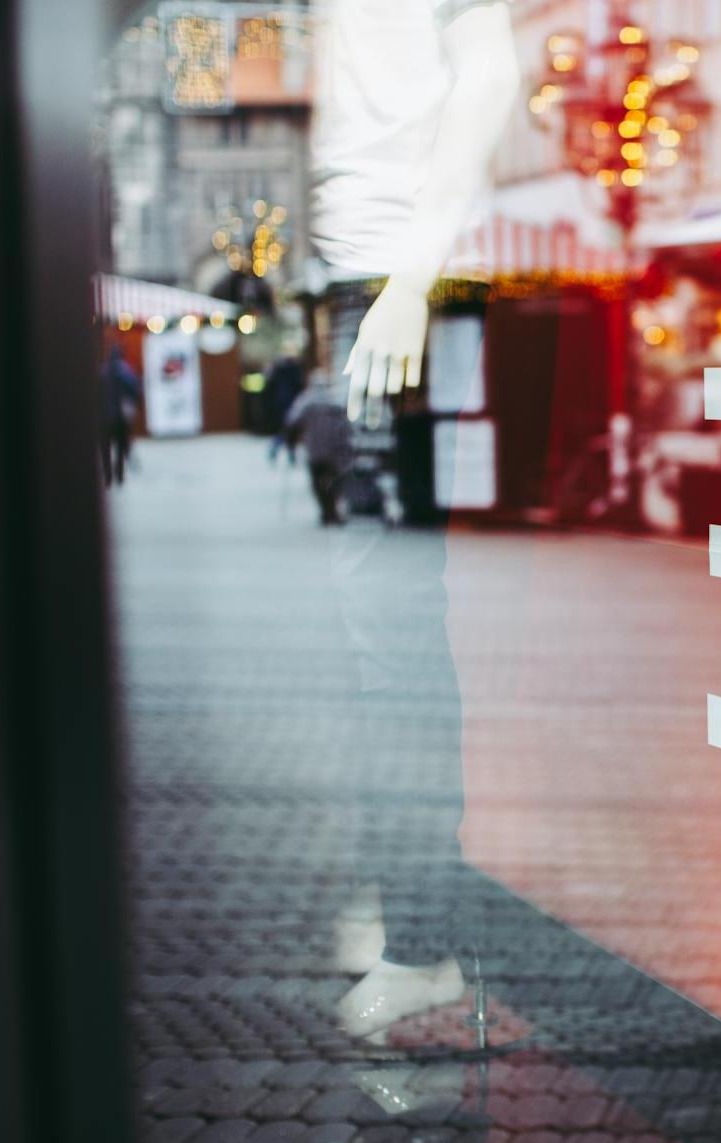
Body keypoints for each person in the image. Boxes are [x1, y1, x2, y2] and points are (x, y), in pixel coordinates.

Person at [308, 0, 521, 1040]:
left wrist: (408, 282)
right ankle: (403, 907)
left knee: (389, 635)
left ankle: (421, 942)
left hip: (392, 293)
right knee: (374, 630)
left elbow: (488, 83)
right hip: (371, 288)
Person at [281, 369, 353, 526]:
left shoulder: (305, 401)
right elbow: (347, 424)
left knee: (318, 480)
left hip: (315, 447)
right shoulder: (335, 400)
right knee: (334, 479)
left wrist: (291, 443)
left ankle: (327, 510)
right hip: (336, 448)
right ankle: (332, 509)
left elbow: (292, 421)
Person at [99, 344, 140, 487]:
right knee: (120, 446)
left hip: (103, 417)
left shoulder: (102, 372)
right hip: (120, 417)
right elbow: (135, 388)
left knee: (106, 449)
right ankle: (120, 474)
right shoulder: (124, 371)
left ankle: (108, 475)